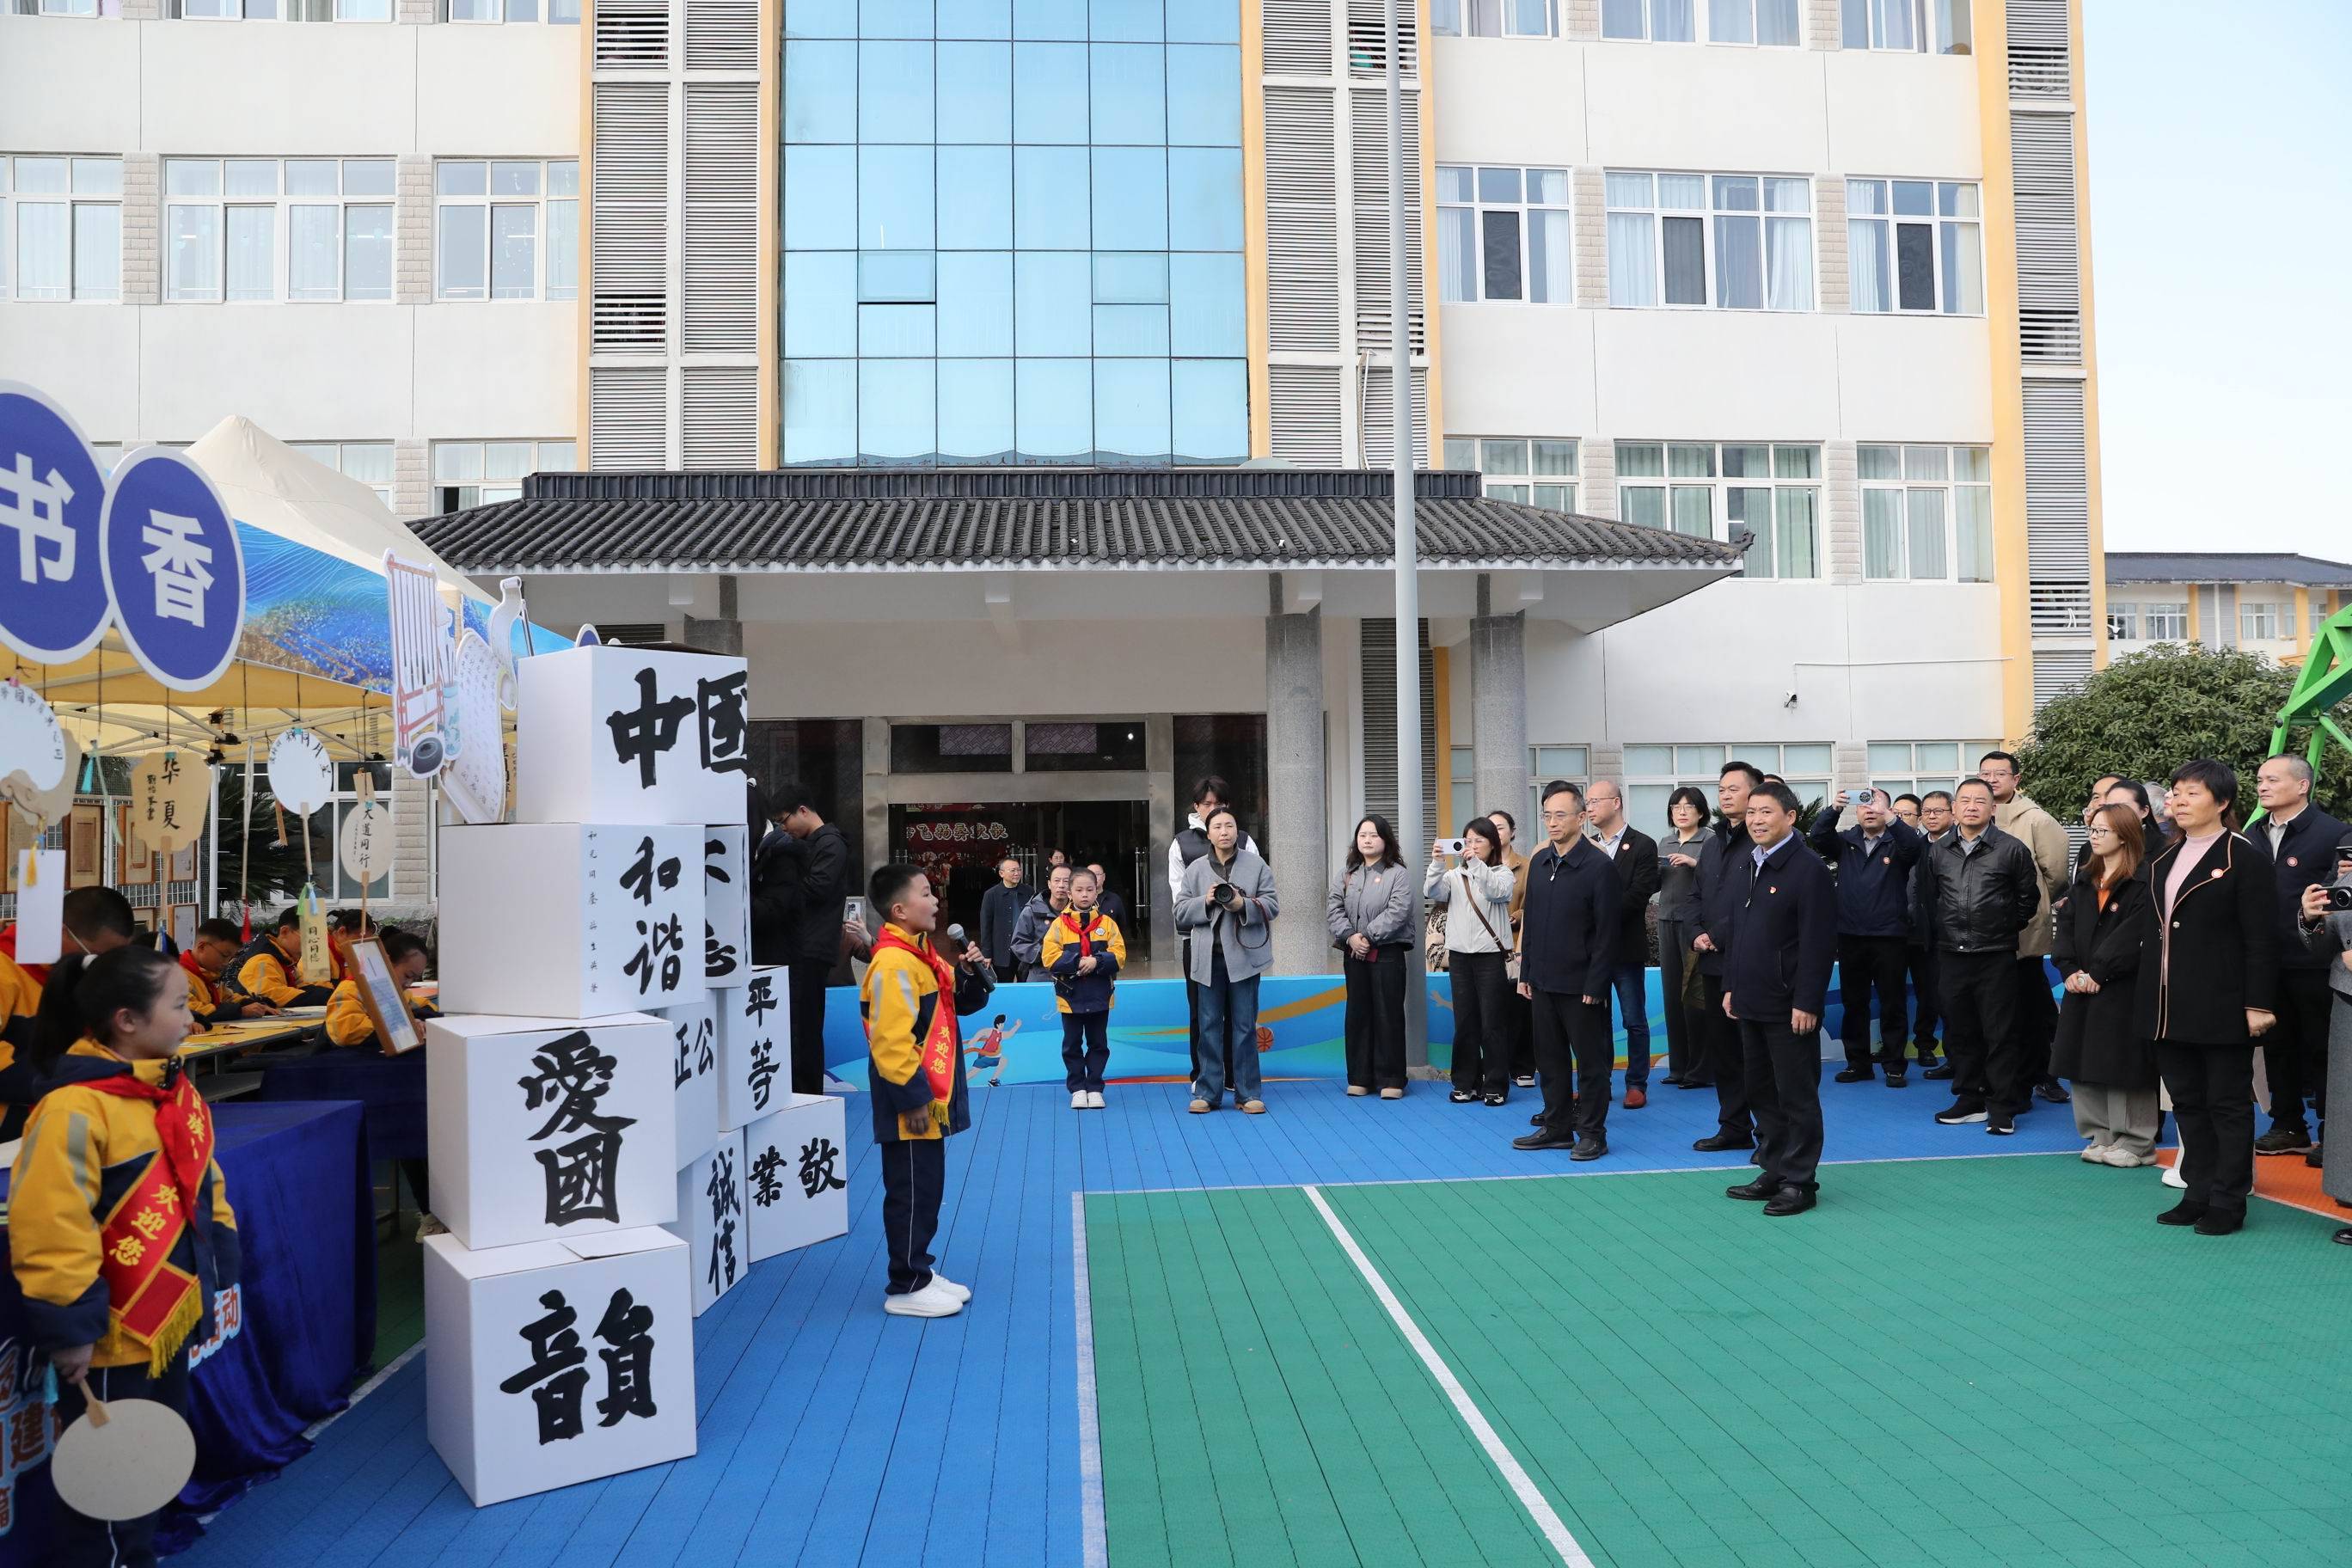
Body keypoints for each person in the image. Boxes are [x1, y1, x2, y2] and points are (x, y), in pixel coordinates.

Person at [10, 944, 239, 1566]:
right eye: (179, 1005)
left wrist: (219, 1268)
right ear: (127, 1020)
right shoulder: (74, 1107)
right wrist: (72, 1327)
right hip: (110, 1335)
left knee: (145, 1472)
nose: (192, 1017)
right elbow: (51, 1227)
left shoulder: (171, 1090)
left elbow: (206, 1185)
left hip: (167, 1321)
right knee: (109, 1493)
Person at [2138, 760, 2278, 1236]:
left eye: (2192, 793)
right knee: (2188, 1102)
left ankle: (2228, 1199)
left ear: (2222, 802)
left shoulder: (2244, 856)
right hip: (2167, 1005)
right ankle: (2197, 1191)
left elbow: (2261, 938)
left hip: (2222, 1002)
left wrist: (2258, 1003)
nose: (2179, 800)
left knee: (2227, 1103)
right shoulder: (2163, 859)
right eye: (2176, 792)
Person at [861, 862, 993, 1318]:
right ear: (899, 910)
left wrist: (971, 973)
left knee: (927, 1187)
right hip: (910, 1100)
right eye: (924, 893)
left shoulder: (922, 954)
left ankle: (919, 1268)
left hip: (923, 1098)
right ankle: (906, 1284)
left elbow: (959, 1002)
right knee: (912, 1191)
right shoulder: (892, 962)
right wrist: (914, 1099)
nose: (935, 901)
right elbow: (890, 1041)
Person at [1720, 781, 1838, 1217]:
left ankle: (1800, 1182)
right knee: (1762, 1093)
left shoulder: (1809, 869)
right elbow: (1737, 932)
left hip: (1790, 1006)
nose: (1756, 820)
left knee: (1796, 1096)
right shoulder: (1747, 864)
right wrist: (1731, 985)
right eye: (1751, 812)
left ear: (1790, 817)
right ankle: (1773, 1169)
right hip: (1750, 1000)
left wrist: (1807, 1001)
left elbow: (1818, 943)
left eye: (1765, 812)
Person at [1510, 781, 1621, 1160]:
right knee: (1550, 1060)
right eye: (1547, 816)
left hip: (1582, 986)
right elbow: (1532, 922)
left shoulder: (1599, 867)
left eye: (1561, 815)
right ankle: (1556, 1128)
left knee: (1591, 1064)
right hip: (1542, 981)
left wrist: (1597, 982)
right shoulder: (1541, 863)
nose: (1553, 822)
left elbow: (1608, 932)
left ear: (1581, 817)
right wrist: (1526, 973)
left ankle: (1592, 1133)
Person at [1925, 779, 2042, 1134]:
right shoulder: (1938, 850)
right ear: (1955, 808)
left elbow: (2028, 901)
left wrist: (2001, 929)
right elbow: (1930, 898)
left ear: (1993, 808)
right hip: (1952, 954)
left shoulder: (2012, 849)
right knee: (1960, 1031)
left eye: (1980, 801)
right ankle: (1969, 1099)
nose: (1972, 806)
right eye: (1965, 800)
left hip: (1995, 955)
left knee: (2000, 1033)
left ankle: (2003, 1105)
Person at [2250, 755, 2347, 1160]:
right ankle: (2288, 1125)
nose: (2262, 786)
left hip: (2314, 961)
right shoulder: (2253, 833)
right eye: (2260, 779)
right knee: (2277, 1046)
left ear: (2302, 785)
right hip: (2265, 960)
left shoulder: (2333, 833)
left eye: (2273, 779)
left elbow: (2338, 894)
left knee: (2323, 1048)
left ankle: (2332, 1133)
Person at [2052, 805, 2159, 1167]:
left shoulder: (2144, 880)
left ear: (2125, 836)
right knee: (2082, 1057)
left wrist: (2098, 973)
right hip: (2080, 984)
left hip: (2122, 987)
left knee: (2124, 1062)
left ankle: (2137, 1142)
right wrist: (2069, 969)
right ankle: (2101, 1135)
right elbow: (2065, 926)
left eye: (2103, 831)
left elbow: (2132, 935)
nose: (2094, 837)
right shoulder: (2085, 878)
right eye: (2093, 830)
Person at [1808, 787, 1925, 1087]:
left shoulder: (1897, 841)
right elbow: (1817, 836)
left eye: (1877, 806)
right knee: (1854, 1003)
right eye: (1863, 805)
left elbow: (1915, 847)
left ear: (1888, 811)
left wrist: (1893, 819)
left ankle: (1894, 1065)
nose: (1870, 811)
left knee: (1892, 1003)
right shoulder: (1845, 841)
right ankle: (1858, 1064)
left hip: (1889, 936)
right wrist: (1834, 808)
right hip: (1850, 935)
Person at [751, 780, 855, 1097]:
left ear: (803, 811)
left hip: (811, 947)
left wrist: (780, 887)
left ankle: (807, 1096)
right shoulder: (812, 843)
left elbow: (817, 888)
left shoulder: (831, 844)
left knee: (805, 1029)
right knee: (797, 1026)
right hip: (800, 946)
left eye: (784, 821)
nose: (784, 829)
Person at [1980, 750, 2071, 1106]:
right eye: (1985, 774)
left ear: (2016, 780)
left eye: (1999, 774)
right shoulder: (1975, 816)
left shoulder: (2035, 819)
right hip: (1982, 936)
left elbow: (2055, 875)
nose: (1991, 780)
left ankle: (2045, 1075)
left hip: (2022, 931)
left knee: (2033, 1008)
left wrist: (2033, 904)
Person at [1175, 806, 1277, 1114]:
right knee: (1208, 1026)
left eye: (1229, 826)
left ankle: (1248, 1093)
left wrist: (1241, 903)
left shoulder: (1256, 865)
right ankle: (1208, 1092)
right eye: (1217, 826)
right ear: (1208, 833)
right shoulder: (1195, 869)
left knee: (1245, 1026)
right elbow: (1180, 912)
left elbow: (1272, 905)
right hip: (1207, 959)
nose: (1224, 831)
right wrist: (1205, 901)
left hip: (1245, 958)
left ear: (1237, 831)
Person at [1690, 762, 1763, 1153]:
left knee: (1755, 1053)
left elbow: (1752, 904)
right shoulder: (1713, 841)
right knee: (1724, 1052)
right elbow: (1696, 894)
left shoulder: (1763, 842)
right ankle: (1734, 1126)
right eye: (1722, 789)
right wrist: (1695, 933)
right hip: (1713, 962)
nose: (1726, 795)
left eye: (1734, 788)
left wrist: (1716, 935)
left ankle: (1770, 1135)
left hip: (1749, 964)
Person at [1169, 777, 1261, 1083]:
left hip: (1240, 939)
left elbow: (1258, 889)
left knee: (1240, 1013)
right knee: (1201, 1012)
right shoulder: (1181, 843)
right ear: (1196, 807)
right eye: (1207, 804)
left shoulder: (1245, 841)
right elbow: (1179, 899)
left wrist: (1237, 904)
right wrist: (1208, 904)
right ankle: (1202, 1076)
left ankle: (1235, 1075)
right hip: (1199, 940)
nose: (1213, 810)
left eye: (1219, 804)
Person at [1425, 818, 1514, 1106]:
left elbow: (1496, 892)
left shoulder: (1502, 873)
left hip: (1490, 957)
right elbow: (1432, 892)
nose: (1472, 846)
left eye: (1479, 841)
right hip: (1460, 957)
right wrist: (1438, 863)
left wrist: (1475, 863)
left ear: (1493, 845)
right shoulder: (1454, 876)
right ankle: (1465, 1082)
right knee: (1464, 1022)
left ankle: (1496, 1084)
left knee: (1493, 1022)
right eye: (1468, 841)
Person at [1327, 815, 1413, 1099]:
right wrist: (1350, 936)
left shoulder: (1397, 874)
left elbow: (1398, 911)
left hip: (1387, 952)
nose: (1367, 840)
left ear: (1386, 840)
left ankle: (1392, 1079)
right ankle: (1360, 1077)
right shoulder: (1346, 873)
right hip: (1353, 952)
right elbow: (1334, 908)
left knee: (1388, 1014)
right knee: (1358, 1014)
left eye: (1374, 835)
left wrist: (1367, 936)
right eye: (1362, 835)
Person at [1585, 781, 1659, 1108]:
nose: (1589, 808)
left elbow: (1638, 896)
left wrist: (1597, 913)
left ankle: (1636, 1083)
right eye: (1587, 802)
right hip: (1592, 951)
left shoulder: (1642, 845)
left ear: (1616, 803)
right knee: (1595, 1021)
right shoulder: (1585, 846)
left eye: (1595, 801)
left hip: (1626, 948)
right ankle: (1597, 1082)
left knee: (1634, 1019)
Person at [2296, 832, 2352, 1240]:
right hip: (2348, 998)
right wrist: (2311, 917)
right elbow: (2321, 944)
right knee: (2347, 1105)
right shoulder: (2347, 870)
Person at [1042, 867, 1125, 1110]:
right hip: (1070, 996)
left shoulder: (1107, 924)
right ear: (1070, 893)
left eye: (1090, 889)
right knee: (1072, 1044)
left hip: (1100, 995)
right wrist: (1078, 961)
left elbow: (1120, 955)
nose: (1085, 894)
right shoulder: (1059, 925)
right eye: (1079, 890)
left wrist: (1097, 961)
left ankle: (1095, 1087)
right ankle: (1077, 1088)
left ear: (1097, 891)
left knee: (1098, 1043)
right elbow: (1049, 957)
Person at [1656, 788, 1718, 1092]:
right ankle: (1678, 1067)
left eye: (1688, 806)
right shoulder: (1664, 842)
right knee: (1671, 998)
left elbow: (1718, 877)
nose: (1681, 812)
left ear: (1701, 811)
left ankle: (1700, 1070)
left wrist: (1694, 864)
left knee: (1695, 997)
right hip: (1666, 920)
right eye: (1675, 807)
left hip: (1695, 925)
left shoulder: (1710, 840)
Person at [325, 929, 438, 1050]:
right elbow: (347, 1031)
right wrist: (403, 1027)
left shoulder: (398, 992)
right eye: (408, 976)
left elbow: (423, 1006)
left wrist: (421, 1023)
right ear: (387, 962)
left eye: (415, 979)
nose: (409, 984)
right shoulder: (351, 990)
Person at [1489, 809, 1536, 1088]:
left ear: (1513, 831)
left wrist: (1517, 916)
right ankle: (1495, 1066)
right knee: (1492, 1010)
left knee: (1520, 1008)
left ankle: (1523, 1067)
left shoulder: (1527, 865)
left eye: (1501, 827)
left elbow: (1535, 903)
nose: (1496, 833)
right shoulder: (1479, 865)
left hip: (1516, 945)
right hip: (1485, 947)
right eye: (1491, 828)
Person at [1910, 789, 1957, 1075]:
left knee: (1951, 1000)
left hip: (1953, 936)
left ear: (1953, 813)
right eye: (1926, 811)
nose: (1931, 816)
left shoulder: (1959, 845)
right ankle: (1925, 1046)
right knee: (1926, 995)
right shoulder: (1915, 846)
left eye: (1938, 811)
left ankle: (1956, 1058)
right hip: (1919, 933)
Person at [180, 918, 280, 1029]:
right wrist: (241, 1011)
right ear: (202, 947)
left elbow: (230, 997)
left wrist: (257, 1005)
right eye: (224, 956)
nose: (226, 963)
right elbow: (193, 1011)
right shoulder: (177, 976)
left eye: (230, 958)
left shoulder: (210, 975)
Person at [229, 908, 334, 1008]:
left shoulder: (285, 959)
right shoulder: (261, 960)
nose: (313, 945)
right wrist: (331, 997)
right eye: (309, 938)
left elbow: (302, 986)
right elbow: (272, 996)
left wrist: (334, 994)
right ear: (284, 932)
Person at [1010, 864, 1073, 982]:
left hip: (1072, 975)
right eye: (1057, 880)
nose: (1061, 885)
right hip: (1040, 974)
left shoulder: (1079, 912)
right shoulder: (1032, 910)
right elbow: (1018, 944)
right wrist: (1046, 951)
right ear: (1049, 884)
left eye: (1066, 881)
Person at [977, 857, 1027, 984]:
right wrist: (986, 954)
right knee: (1005, 987)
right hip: (1002, 951)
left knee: (1026, 986)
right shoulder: (991, 895)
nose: (1017, 873)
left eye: (1019, 870)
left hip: (1025, 949)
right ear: (1001, 873)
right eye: (1012, 870)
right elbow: (986, 926)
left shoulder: (1029, 891)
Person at [1084, 862, 1134, 950]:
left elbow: (1122, 925)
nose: (1094, 877)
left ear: (1104, 877)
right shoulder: (1080, 899)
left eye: (1097, 874)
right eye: (1090, 874)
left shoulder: (1114, 899)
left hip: (1109, 949)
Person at [964, 1014, 1021, 1087]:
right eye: (1002, 1024)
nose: (1003, 1026)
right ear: (998, 1024)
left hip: (993, 1057)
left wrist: (1017, 1026)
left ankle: (993, 1081)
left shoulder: (1000, 1034)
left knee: (1003, 1060)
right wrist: (972, 1044)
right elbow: (979, 1034)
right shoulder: (989, 1031)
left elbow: (1009, 1034)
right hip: (984, 1057)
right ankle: (959, 1083)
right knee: (974, 1072)